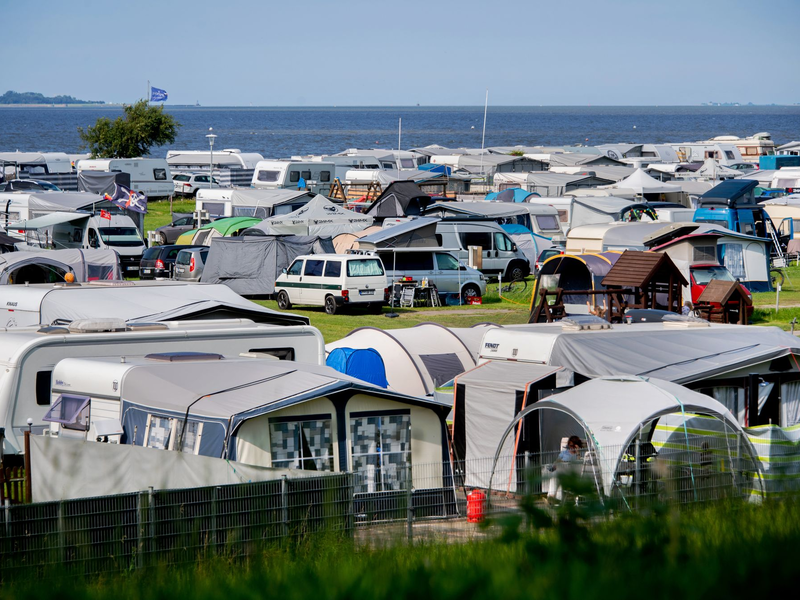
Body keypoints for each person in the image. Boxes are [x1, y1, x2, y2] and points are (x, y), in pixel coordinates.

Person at [547, 435, 583, 503]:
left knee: (555, 474)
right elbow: (557, 461)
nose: (570, 447)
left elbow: (579, 464)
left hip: (572, 474)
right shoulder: (564, 452)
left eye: (572, 445)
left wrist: (578, 452)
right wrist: (556, 464)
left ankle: (552, 497)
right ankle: (552, 497)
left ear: (576, 446)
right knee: (555, 474)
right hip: (561, 471)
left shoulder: (579, 454)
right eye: (569, 445)